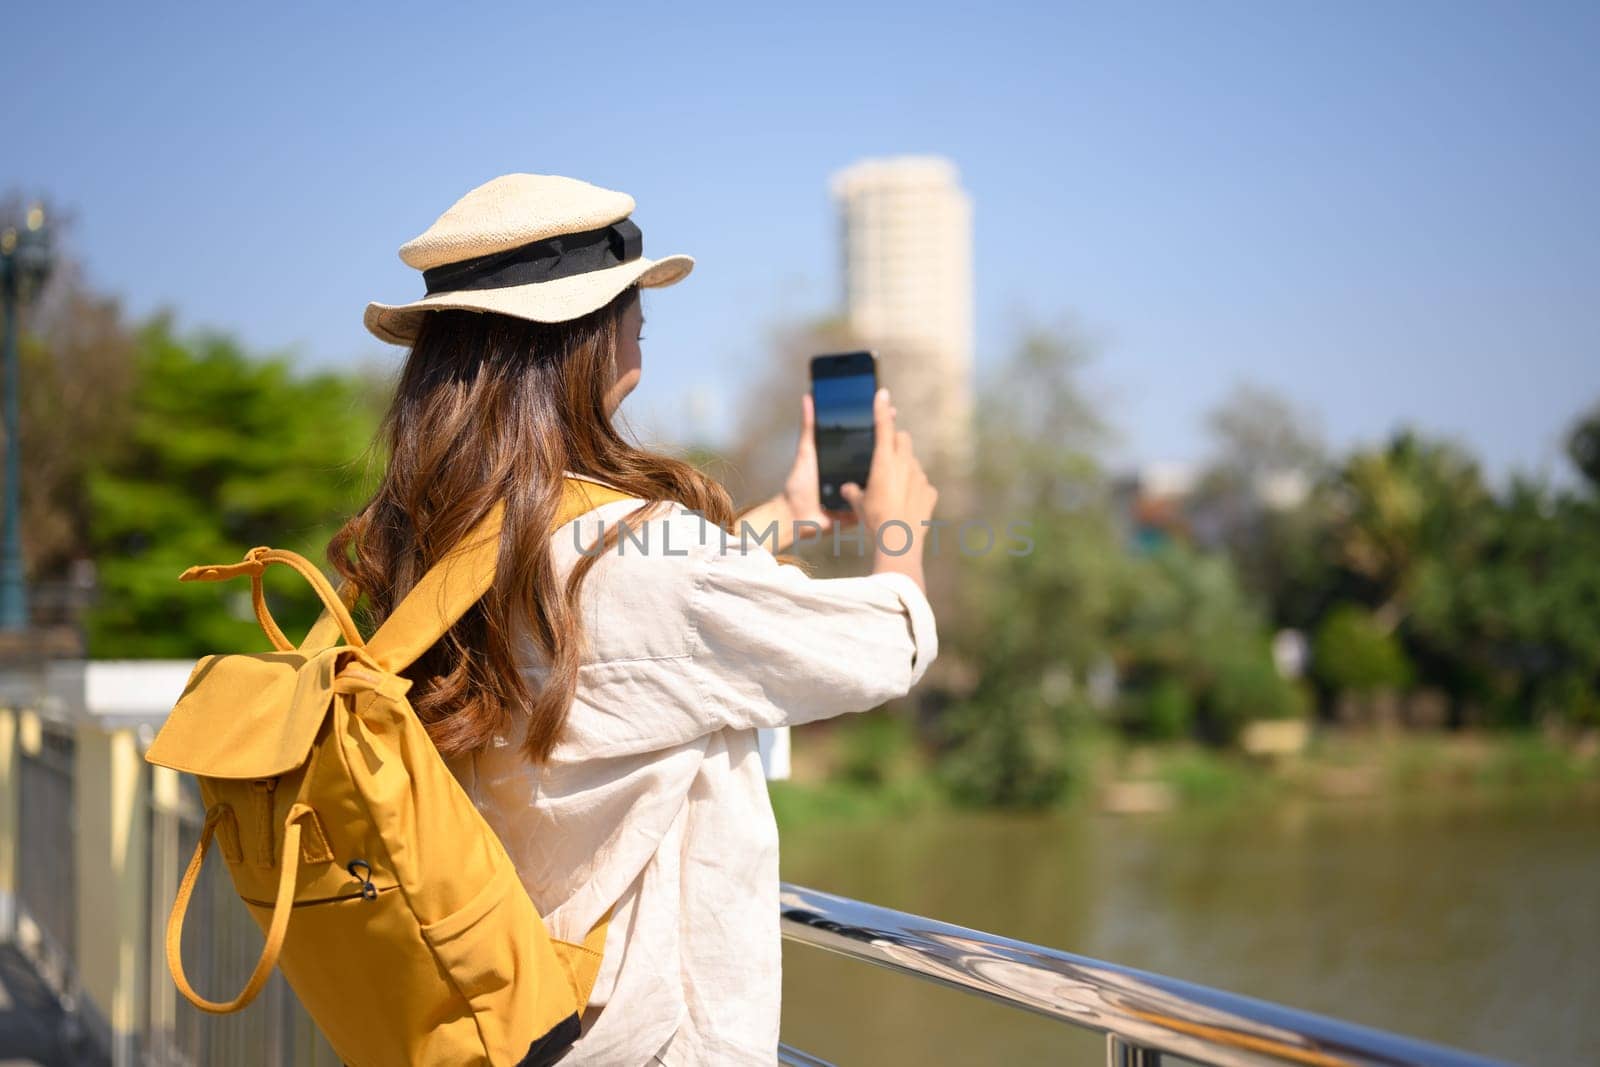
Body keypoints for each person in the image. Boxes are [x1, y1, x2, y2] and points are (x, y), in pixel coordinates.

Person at [343, 173, 939, 1065]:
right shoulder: (635, 555)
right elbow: (877, 648)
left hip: (506, 1010)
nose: (640, 321)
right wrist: (902, 537)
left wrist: (790, 512)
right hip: (640, 1035)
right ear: (581, 335)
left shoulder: (433, 536)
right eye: (628, 302)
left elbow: (649, 604)